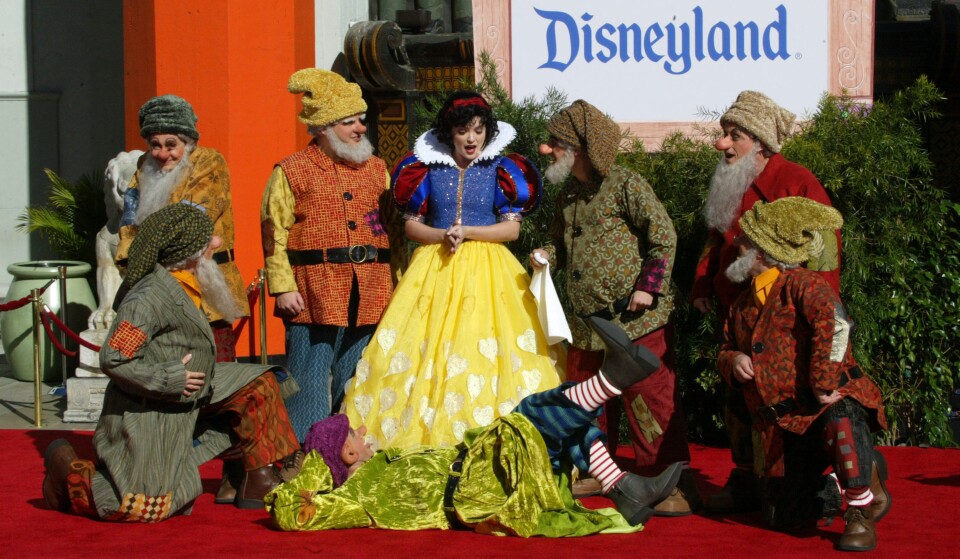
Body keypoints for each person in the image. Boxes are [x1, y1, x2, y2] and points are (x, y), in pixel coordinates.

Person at [268, 317, 682, 535]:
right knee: (529, 416)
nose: (364, 431)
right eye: (355, 433)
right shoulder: (358, 495)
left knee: (551, 424)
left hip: (478, 467)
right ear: (350, 452)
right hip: (479, 487)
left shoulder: (384, 462)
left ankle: (624, 490)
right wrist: (316, 469)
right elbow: (291, 511)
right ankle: (611, 380)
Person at [41, 204, 301, 521]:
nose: (217, 244)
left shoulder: (185, 280)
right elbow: (114, 359)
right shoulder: (147, 299)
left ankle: (256, 479)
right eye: (207, 241)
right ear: (186, 251)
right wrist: (171, 378)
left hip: (197, 392)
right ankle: (68, 470)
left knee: (260, 384)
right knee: (146, 507)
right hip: (151, 405)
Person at [341, 90, 561, 449]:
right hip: (434, 268)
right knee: (422, 350)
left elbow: (511, 229)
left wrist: (469, 232)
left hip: (489, 271)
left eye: (478, 130)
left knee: (486, 350)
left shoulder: (500, 169)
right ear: (450, 134)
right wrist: (442, 235)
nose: (472, 138)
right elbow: (412, 227)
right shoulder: (427, 170)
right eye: (463, 131)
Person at [529, 100, 697, 516]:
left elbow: (664, 234)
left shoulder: (626, 183)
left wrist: (648, 287)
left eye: (555, 142)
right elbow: (559, 243)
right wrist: (546, 254)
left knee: (649, 398)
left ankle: (669, 482)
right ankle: (597, 472)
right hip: (588, 323)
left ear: (580, 148)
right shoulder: (568, 192)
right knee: (587, 397)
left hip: (637, 319)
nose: (545, 150)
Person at [691, 90, 842, 513]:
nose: (722, 144)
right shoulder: (730, 180)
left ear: (759, 142)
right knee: (739, 397)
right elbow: (715, 237)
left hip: (788, 321)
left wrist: (817, 311)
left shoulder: (796, 181)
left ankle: (822, 482)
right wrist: (703, 283)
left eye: (733, 135)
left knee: (795, 401)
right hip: (738, 315)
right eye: (723, 133)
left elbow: (826, 253)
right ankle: (745, 478)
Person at [716, 196, 890, 552]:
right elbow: (723, 348)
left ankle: (859, 505)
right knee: (783, 517)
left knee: (841, 420)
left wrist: (824, 380)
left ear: (762, 252)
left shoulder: (803, 284)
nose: (737, 244)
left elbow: (837, 324)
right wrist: (732, 360)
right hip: (781, 427)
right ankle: (840, 479)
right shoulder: (741, 305)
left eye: (745, 241)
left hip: (821, 407)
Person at [261, 68, 404, 441]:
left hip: (371, 287)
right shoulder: (292, 170)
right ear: (323, 128)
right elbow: (272, 232)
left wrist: (399, 282)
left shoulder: (377, 169)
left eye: (361, 120)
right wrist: (282, 286)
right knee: (307, 376)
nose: (360, 128)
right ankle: (304, 452)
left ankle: (350, 451)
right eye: (349, 122)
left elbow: (395, 230)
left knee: (358, 375)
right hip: (313, 290)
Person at [116, 94, 248, 362]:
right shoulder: (144, 166)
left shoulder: (209, 162)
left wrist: (148, 251)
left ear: (188, 142)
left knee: (213, 368)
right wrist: (132, 268)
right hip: (153, 282)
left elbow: (190, 223)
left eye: (171, 144)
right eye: (155, 145)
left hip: (203, 282)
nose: (163, 154)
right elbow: (129, 222)